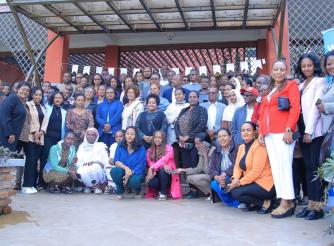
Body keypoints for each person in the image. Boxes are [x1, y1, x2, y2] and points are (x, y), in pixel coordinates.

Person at [258, 60, 301, 218]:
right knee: (276, 168)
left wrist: (289, 129)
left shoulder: (291, 86)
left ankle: (288, 201)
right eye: (276, 69)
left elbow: (296, 108)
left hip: (283, 133)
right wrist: (261, 131)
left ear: (286, 71)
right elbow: (263, 111)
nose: (278, 72)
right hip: (269, 134)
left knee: (284, 167)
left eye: (282, 69)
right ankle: (283, 198)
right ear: (272, 71)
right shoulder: (269, 88)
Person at [294, 53, 325, 220]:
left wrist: (309, 131)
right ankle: (311, 204)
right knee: (307, 168)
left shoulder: (319, 82)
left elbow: (315, 108)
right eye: (303, 65)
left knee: (315, 170)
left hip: (314, 133)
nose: (306, 68)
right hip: (302, 131)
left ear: (315, 66)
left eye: (309, 65)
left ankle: (318, 208)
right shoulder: (301, 85)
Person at [226, 122, 275, 214]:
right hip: (252, 181)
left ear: (254, 132)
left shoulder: (260, 146)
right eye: (243, 130)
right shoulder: (241, 147)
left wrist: (239, 183)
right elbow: (237, 167)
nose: (245, 132)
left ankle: (265, 203)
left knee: (235, 193)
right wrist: (236, 179)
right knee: (226, 183)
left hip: (264, 183)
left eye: (248, 130)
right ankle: (255, 203)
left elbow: (256, 171)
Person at [22, 87, 48, 194]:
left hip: (40, 138)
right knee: (30, 161)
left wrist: (41, 132)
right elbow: (28, 120)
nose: (38, 97)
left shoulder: (43, 107)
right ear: (32, 95)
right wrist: (34, 133)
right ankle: (26, 185)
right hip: (30, 138)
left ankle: (32, 184)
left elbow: (46, 122)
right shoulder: (27, 104)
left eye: (40, 95)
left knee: (35, 162)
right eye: (36, 94)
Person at [40, 91, 67, 190]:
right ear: (53, 99)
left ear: (62, 100)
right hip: (48, 138)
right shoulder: (47, 109)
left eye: (60, 97)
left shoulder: (64, 112)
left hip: (59, 140)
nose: (58, 99)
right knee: (45, 159)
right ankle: (41, 183)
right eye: (56, 97)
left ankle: (53, 182)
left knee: (56, 161)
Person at [110, 126, 146, 199]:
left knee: (134, 181)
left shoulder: (141, 147)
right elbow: (116, 161)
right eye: (127, 133)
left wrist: (131, 172)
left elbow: (141, 164)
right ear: (125, 135)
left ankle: (138, 190)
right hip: (124, 170)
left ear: (136, 136)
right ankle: (120, 190)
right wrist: (126, 169)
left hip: (136, 172)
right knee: (114, 171)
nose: (129, 136)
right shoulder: (120, 145)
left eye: (132, 134)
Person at [175, 91, 208, 168]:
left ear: (198, 99)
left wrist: (188, 136)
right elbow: (176, 124)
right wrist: (179, 136)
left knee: (193, 165)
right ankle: (185, 180)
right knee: (185, 165)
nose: (192, 99)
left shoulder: (202, 110)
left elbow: (202, 125)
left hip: (194, 142)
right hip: (182, 142)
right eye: (190, 97)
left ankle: (194, 180)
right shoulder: (184, 110)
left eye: (194, 97)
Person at [146, 131, 181, 200]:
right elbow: (150, 162)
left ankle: (163, 193)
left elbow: (165, 159)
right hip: (155, 173)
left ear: (163, 139)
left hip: (168, 174)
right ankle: (159, 191)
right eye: (155, 137)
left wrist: (157, 166)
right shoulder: (149, 150)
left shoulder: (169, 148)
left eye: (160, 138)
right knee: (151, 183)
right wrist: (159, 166)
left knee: (163, 170)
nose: (157, 139)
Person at [176, 133, 213, 199]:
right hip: (207, 176)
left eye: (198, 143)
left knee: (196, 178)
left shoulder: (213, 151)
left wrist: (205, 156)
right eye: (195, 144)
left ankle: (215, 194)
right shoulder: (201, 152)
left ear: (205, 144)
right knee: (189, 178)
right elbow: (199, 169)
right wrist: (183, 170)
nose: (196, 146)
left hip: (214, 176)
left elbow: (208, 172)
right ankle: (210, 193)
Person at [209, 128, 239, 207]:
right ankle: (233, 203)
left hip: (233, 176)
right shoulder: (216, 152)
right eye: (220, 137)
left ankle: (232, 202)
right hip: (220, 178)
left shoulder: (237, 148)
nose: (222, 138)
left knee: (223, 183)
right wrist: (217, 177)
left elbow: (237, 164)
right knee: (214, 184)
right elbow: (211, 169)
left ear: (230, 137)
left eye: (224, 136)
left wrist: (225, 174)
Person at [76, 128, 109, 194]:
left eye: (92, 135)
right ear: (86, 136)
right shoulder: (82, 146)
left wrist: (94, 162)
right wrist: (84, 164)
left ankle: (98, 187)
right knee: (81, 170)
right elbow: (78, 160)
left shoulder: (101, 146)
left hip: (98, 167)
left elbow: (105, 160)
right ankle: (90, 186)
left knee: (95, 167)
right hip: (84, 166)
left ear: (96, 136)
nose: (90, 136)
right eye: (88, 134)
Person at [0, 81, 30, 151]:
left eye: (27, 90)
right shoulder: (12, 98)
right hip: (7, 136)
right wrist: (10, 133)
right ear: (17, 89)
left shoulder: (23, 102)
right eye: (23, 89)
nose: (25, 92)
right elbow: (5, 116)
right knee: (6, 158)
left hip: (17, 136)